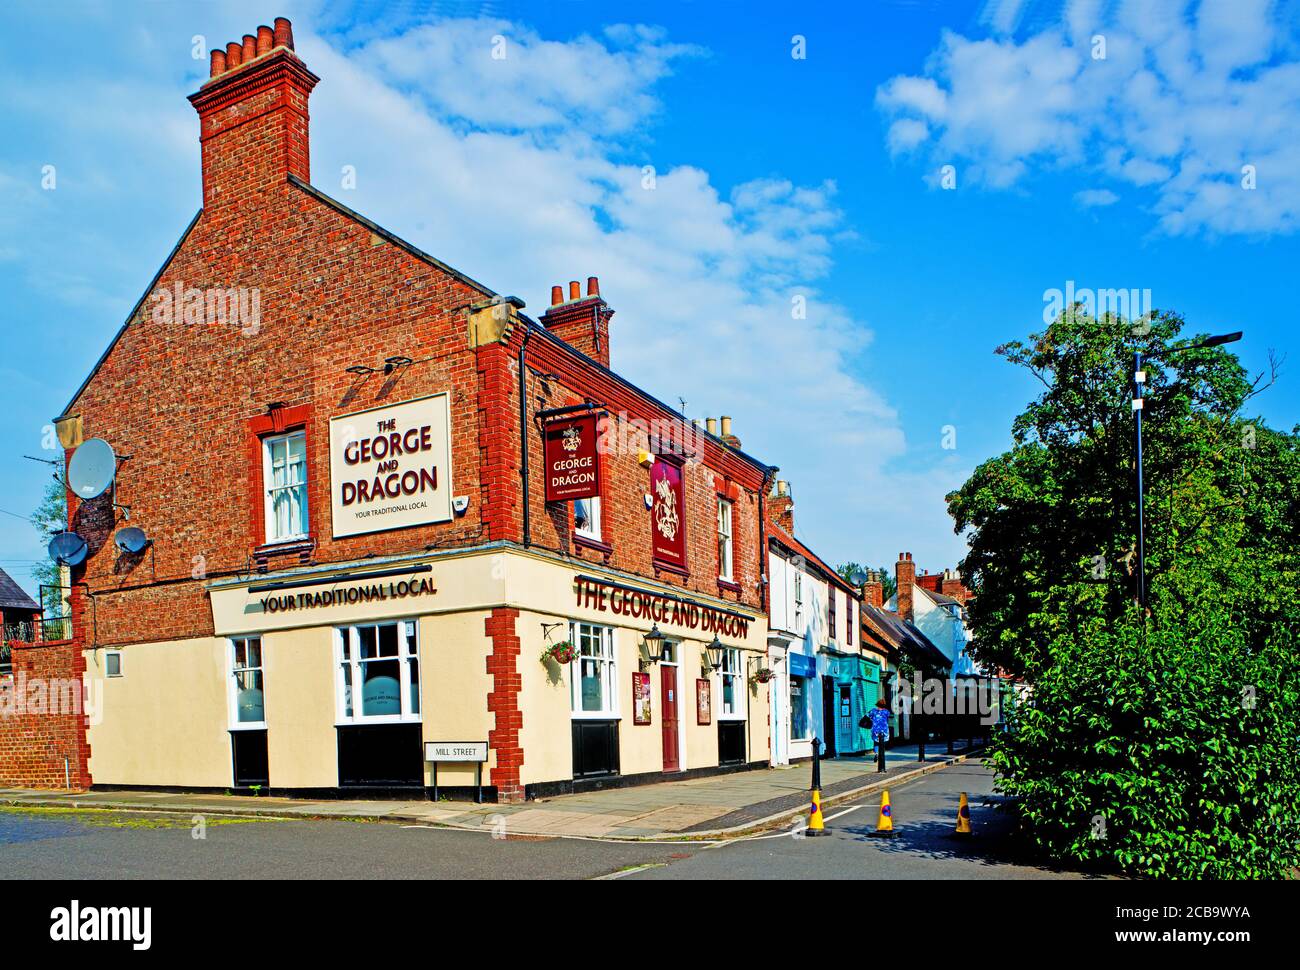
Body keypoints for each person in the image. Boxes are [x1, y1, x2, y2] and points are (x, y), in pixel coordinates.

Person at [860, 697, 891, 772]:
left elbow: (866, 716)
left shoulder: (873, 711)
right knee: (882, 743)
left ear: (877, 705)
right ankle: (881, 755)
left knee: (876, 742)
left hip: (875, 729)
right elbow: (887, 718)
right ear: (884, 705)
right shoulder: (886, 712)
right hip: (884, 730)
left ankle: (876, 753)